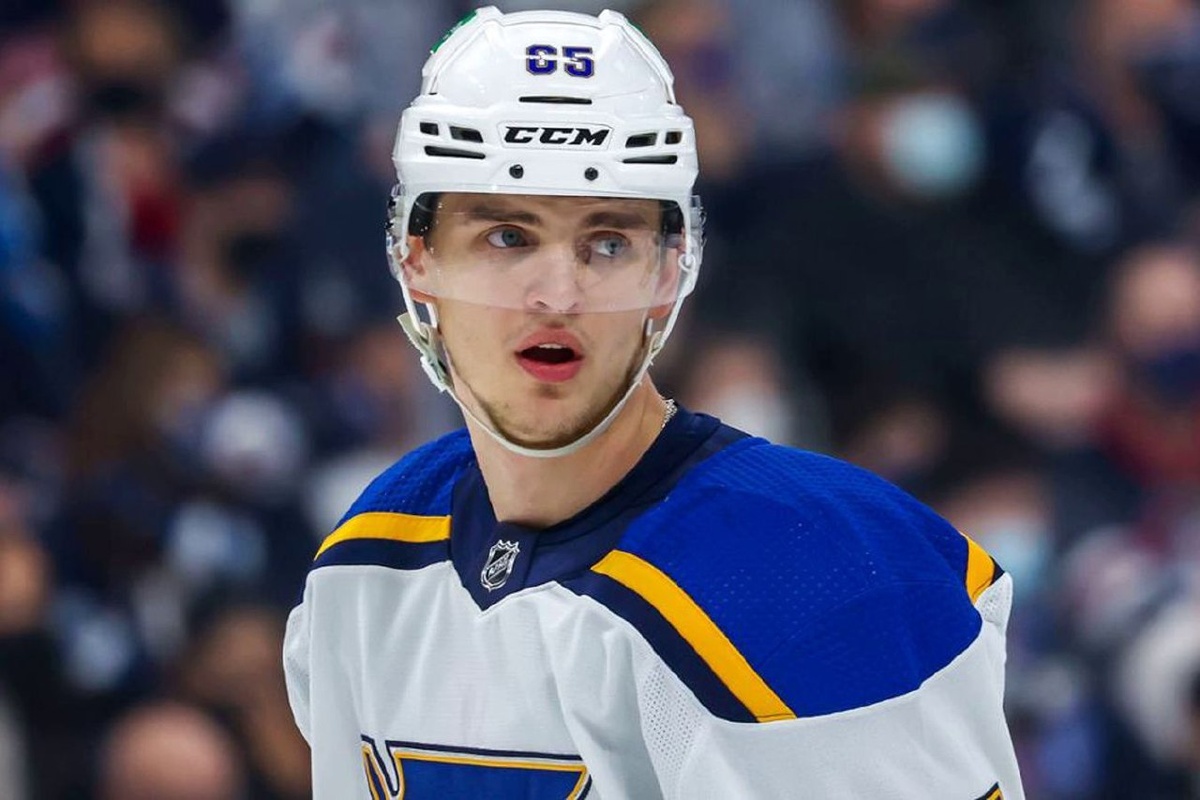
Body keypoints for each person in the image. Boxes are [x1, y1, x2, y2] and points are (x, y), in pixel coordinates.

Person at [283, 7, 1025, 797]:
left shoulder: (815, 571)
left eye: (607, 242)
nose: (557, 294)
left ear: (670, 271)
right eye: (507, 237)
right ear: (417, 261)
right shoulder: (370, 558)